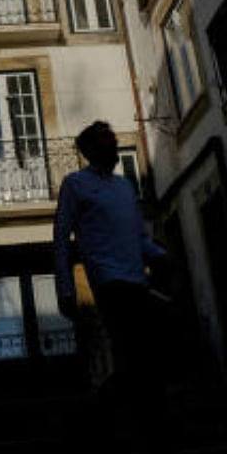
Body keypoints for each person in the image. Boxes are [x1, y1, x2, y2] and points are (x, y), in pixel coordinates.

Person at [54, 121, 170, 429]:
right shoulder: (75, 184)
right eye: (106, 142)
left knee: (140, 355)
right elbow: (61, 239)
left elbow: (139, 236)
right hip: (108, 281)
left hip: (137, 279)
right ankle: (134, 420)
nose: (113, 147)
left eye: (114, 141)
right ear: (89, 150)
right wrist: (65, 289)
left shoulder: (124, 186)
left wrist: (161, 257)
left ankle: (106, 417)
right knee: (134, 351)